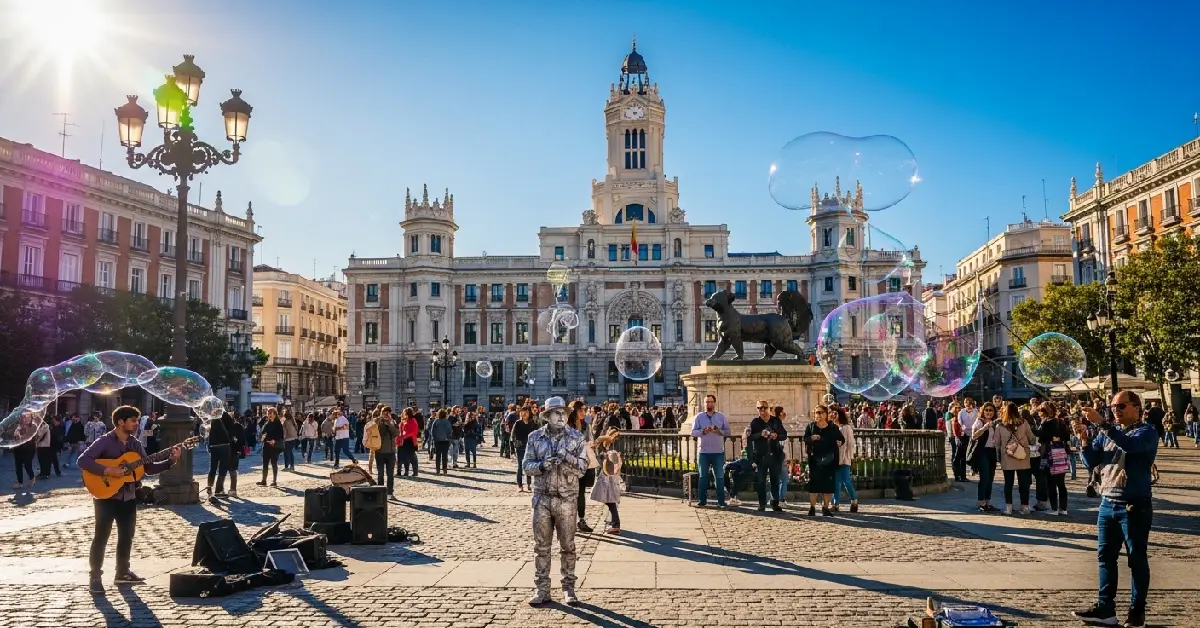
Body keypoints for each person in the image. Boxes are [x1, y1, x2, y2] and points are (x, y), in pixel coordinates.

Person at [1073, 391, 1159, 628]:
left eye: (1121, 406)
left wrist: (1102, 423)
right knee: (1105, 558)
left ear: (1136, 408)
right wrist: (1084, 442)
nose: (1116, 411)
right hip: (1108, 502)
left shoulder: (1147, 432)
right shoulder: (1108, 433)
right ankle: (1105, 609)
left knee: (1136, 559)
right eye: (1112, 407)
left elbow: (1131, 447)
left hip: (1134, 505)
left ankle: (1136, 612)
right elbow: (1092, 462)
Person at [77, 406, 181, 595]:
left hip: (129, 496)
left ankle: (122, 572)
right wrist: (108, 470)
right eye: (133, 420)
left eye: (136, 420)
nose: (135, 423)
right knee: (101, 538)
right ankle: (95, 577)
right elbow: (83, 460)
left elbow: (148, 468)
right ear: (120, 422)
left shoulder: (135, 444)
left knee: (126, 537)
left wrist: (171, 461)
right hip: (106, 496)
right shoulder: (105, 442)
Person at [523, 396, 588, 607]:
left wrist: (566, 457)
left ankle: (569, 589)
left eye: (564, 413)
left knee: (568, 546)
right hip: (542, 498)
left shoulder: (576, 437)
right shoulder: (535, 437)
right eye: (557, 413)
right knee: (541, 546)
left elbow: (583, 468)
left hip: (567, 499)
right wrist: (543, 465)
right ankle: (542, 589)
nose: (561, 417)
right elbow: (526, 466)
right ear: (547, 416)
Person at [689, 394, 731, 508]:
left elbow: (728, 432)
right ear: (704, 403)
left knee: (719, 477)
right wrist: (703, 431)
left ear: (714, 403)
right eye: (707, 402)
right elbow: (693, 432)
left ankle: (721, 501)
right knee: (703, 477)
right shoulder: (699, 417)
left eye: (711, 402)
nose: (709, 404)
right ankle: (702, 500)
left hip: (718, 452)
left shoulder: (721, 417)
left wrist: (718, 430)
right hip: (703, 452)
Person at [804, 405, 844, 516]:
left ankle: (825, 507)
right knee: (814, 485)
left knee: (828, 485)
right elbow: (805, 439)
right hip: (815, 460)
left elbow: (841, 439)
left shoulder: (832, 427)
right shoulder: (811, 426)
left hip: (829, 459)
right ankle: (812, 507)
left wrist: (840, 442)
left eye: (820, 412)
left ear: (826, 414)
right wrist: (811, 438)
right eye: (816, 412)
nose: (818, 415)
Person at [749, 400, 788, 512]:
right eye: (759, 408)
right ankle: (762, 504)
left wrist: (777, 435)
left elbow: (784, 435)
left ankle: (775, 503)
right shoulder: (755, 422)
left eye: (764, 408)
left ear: (769, 409)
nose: (762, 410)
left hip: (775, 455)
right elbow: (750, 437)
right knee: (761, 481)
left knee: (775, 480)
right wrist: (760, 434)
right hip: (761, 456)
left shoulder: (775, 421)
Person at [589, 429, 623, 534]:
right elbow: (595, 442)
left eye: (614, 436)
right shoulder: (604, 446)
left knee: (610, 500)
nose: (611, 438)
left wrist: (608, 437)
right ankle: (613, 522)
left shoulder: (612, 448)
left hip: (609, 477)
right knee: (608, 500)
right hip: (605, 476)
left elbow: (615, 464)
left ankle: (616, 524)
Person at [374, 407, 399, 496]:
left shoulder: (393, 421)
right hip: (379, 452)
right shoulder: (377, 421)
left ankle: (390, 492)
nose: (386, 414)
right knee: (380, 474)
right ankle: (380, 492)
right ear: (381, 413)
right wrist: (380, 420)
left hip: (390, 452)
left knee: (390, 474)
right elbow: (372, 430)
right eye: (384, 412)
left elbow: (396, 433)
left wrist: (390, 422)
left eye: (388, 413)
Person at [257, 408, 284, 487]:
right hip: (266, 446)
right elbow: (263, 432)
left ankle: (274, 481)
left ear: (275, 414)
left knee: (274, 463)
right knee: (265, 463)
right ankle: (263, 480)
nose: (270, 415)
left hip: (274, 446)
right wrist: (263, 437)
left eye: (272, 413)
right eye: (269, 413)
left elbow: (281, 435)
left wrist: (274, 440)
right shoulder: (267, 423)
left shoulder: (278, 424)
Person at [512, 406, 536, 491]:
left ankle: (529, 484)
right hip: (520, 447)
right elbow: (512, 436)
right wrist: (512, 449)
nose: (524, 413)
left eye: (526, 411)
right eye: (522, 412)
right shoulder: (518, 423)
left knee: (528, 466)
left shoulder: (532, 423)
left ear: (529, 413)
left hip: (529, 447)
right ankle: (520, 485)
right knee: (520, 466)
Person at [397, 408, 421, 477]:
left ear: (407, 413)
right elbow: (400, 430)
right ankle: (402, 471)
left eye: (404, 413)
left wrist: (405, 435)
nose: (403, 414)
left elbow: (414, 432)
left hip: (410, 441)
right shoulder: (403, 421)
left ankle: (412, 471)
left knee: (411, 457)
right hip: (403, 441)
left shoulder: (413, 421)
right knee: (402, 456)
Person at [430, 409, 452, 474]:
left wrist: (434, 438)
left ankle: (438, 470)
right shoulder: (447, 422)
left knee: (438, 456)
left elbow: (432, 431)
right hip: (445, 441)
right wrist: (448, 438)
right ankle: (445, 470)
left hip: (437, 441)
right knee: (444, 456)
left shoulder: (436, 421)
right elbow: (450, 431)